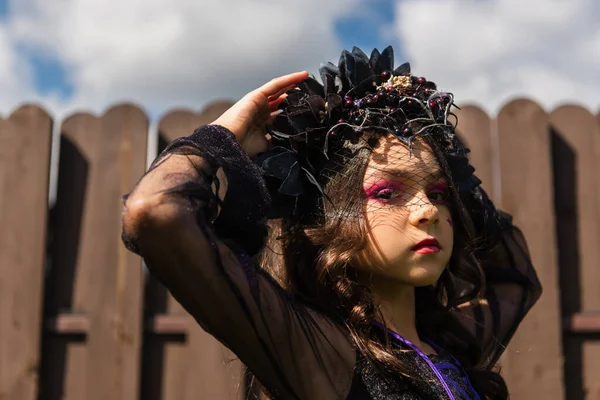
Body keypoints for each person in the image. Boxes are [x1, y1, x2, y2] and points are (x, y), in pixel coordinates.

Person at [121, 46, 541, 399]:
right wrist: (222, 136)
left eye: (437, 194)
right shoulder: (323, 352)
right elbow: (155, 212)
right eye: (387, 193)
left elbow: (518, 276)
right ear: (327, 218)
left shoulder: (452, 344)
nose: (427, 211)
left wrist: (450, 164)